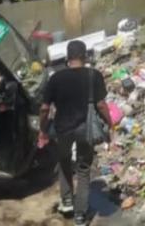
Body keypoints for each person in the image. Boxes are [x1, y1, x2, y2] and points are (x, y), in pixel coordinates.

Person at [38, 40, 113, 225]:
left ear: (67, 58)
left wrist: (42, 130)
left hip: (62, 129)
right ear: (85, 56)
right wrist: (110, 123)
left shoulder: (55, 78)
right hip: (85, 129)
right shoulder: (93, 75)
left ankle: (67, 201)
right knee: (83, 169)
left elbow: (44, 108)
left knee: (63, 163)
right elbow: (101, 105)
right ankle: (80, 216)